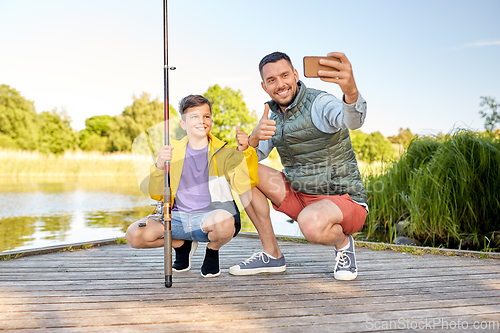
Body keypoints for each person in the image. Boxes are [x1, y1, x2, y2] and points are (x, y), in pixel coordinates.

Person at [229, 52, 368, 281]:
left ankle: (343, 244)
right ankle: (272, 254)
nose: (280, 84)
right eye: (272, 80)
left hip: (342, 199)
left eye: (285, 75)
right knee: (239, 171)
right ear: (264, 86)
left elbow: (352, 120)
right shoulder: (271, 116)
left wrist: (351, 92)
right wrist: (252, 140)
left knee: (310, 223)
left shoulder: (320, 103)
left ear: (295, 75)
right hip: (299, 195)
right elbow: (243, 160)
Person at [126, 94, 258, 278]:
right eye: (194, 117)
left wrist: (245, 152)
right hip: (177, 218)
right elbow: (157, 195)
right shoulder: (171, 152)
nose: (201, 121)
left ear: (211, 120)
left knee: (226, 222)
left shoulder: (223, 152)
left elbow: (244, 183)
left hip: (208, 218)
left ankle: (212, 250)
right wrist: (158, 166)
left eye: (206, 116)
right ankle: (180, 244)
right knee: (134, 235)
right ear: (183, 123)